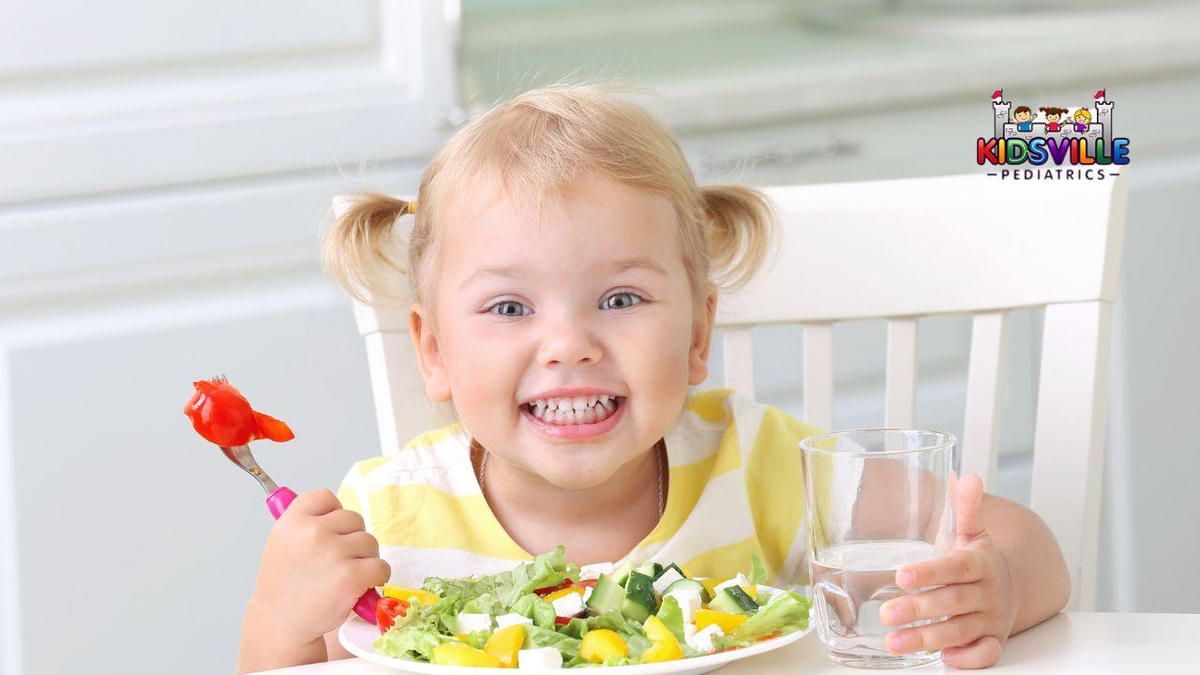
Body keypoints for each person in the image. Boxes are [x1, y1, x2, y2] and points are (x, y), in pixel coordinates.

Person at [235, 83, 1070, 672]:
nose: (569, 344)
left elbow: (1031, 547)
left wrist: (991, 583)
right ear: (434, 352)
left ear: (699, 331)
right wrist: (279, 618)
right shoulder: (386, 519)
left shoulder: (760, 462)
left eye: (621, 297)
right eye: (508, 307)